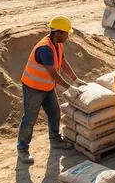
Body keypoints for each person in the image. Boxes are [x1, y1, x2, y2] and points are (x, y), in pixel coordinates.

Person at [17, 16, 81, 164]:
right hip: (33, 88)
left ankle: (55, 139)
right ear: (58, 33)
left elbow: (63, 62)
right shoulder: (45, 48)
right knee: (29, 119)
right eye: (66, 33)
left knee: (54, 112)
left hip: (47, 87)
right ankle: (22, 149)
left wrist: (75, 79)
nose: (67, 36)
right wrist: (70, 88)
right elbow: (53, 73)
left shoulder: (57, 44)